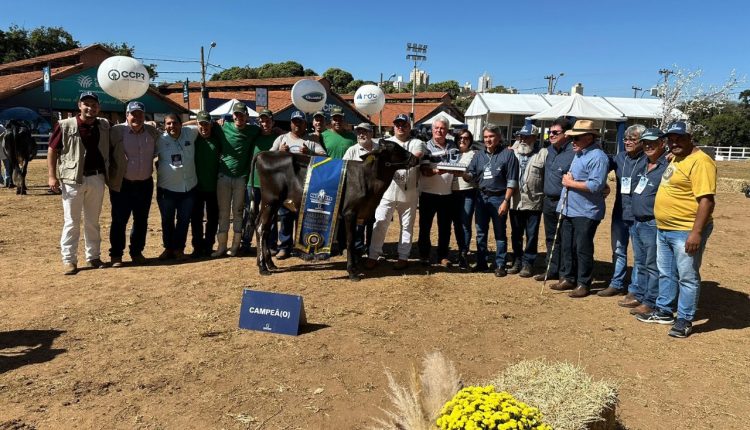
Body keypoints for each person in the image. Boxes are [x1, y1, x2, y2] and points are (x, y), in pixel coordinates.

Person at [636, 121, 716, 338]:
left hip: (685, 230)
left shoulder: (701, 162)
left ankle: (685, 319)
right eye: (670, 139)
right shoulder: (677, 158)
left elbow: (707, 201)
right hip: (665, 228)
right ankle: (664, 311)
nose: (674, 142)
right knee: (666, 272)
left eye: (679, 138)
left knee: (687, 276)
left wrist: (696, 232)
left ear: (691, 137)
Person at [47, 92, 112, 275]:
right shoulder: (65, 125)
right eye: (86, 104)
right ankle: (69, 260)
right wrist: (52, 176)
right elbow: (52, 150)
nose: (90, 107)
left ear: (98, 107)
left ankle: (93, 257)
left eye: (94, 104)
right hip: (72, 180)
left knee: (93, 221)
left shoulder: (104, 125)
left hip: (97, 178)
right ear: (79, 105)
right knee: (71, 222)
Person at [550, 120, 609, 297]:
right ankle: (568, 277)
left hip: (586, 211)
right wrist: (570, 179)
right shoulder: (579, 154)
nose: (573, 141)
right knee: (567, 245)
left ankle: (583, 283)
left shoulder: (598, 157)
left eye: (577, 138)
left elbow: (596, 185)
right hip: (568, 208)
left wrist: (571, 182)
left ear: (589, 137)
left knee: (582, 248)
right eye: (572, 138)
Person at [365, 114, 425, 270]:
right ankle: (373, 255)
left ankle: (403, 256)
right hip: (388, 191)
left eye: (404, 124)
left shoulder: (417, 142)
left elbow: (416, 157)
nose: (400, 127)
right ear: (393, 126)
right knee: (380, 223)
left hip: (409, 192)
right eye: (397, 124)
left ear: (409, 127)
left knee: (407, 226)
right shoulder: (386, 143)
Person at [108, 101, 161, 267]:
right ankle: (116, 255)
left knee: (141, 220)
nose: (137, 117)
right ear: (127, 115)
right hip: (122, 184)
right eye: (133, 114)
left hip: (145, 184)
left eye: (140, 114)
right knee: (119, 220)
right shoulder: (116, 131)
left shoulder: (152, 132)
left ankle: (137, 252)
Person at [462, 123, 519, 277]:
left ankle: (500, 264)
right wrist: (464, 175)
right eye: (486, 137)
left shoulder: (508, 155)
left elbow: (512, 180)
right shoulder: (478, 156)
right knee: (480, 232)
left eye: (491, 136)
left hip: (499, 197)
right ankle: (481, 262)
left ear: (499, 137)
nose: (488, 139)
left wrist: (506, 201)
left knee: (500, 232)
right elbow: (471, 174)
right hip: (481, 197)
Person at [270, 110, 326, 258]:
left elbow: (325, 157)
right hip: (286, 186)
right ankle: (284, 247)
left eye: (300, 122)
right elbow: (268, 157)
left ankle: (303, 247)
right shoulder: (282, 139)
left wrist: (310, 153)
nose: (297, 125)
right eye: (294, 122)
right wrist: (279, 152)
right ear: (290, 123)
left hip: (306, 186)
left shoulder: (311, 140)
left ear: (304, 124)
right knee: (285, 216)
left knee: (304, 216)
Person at [598, 125, 646, 299]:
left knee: (640, 256)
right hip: (620, 212)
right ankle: (616, 283)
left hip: (640, 215)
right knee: (618, 250)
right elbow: (600, 166)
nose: (627, 142)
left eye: (632, 139)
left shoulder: (649, 159)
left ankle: (635, 289)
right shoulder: (619, 158)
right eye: (626, 139)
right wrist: (602, 184)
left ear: (642, 141)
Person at [627, 128, 669, 316]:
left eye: (652, 142)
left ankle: (650, 301)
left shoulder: (667, 165)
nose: (648, 146)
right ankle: (641, 295)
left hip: (652, 222)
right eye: (645, 142)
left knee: (652, 264)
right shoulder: (643, 162)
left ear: (662, 143)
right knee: (640, 261)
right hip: (637, 220)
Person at [214, 102, 259, 257]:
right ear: (232, 116)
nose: (239, 117)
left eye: (242, 115)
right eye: (237, 115)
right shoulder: (223, 127)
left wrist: (278, 129)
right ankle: (221, 246)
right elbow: (201, 124)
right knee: (223, 212)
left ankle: (234, 247)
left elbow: (268, 130)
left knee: (238, 212)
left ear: (247, 116)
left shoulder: (253, 130)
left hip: (241, 178)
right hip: (223, 176)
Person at [534, 117, 575, 282]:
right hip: (548, 200)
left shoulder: (573, 152)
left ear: (566, 134)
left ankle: (566, 274)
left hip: (565, 200)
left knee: (566, 239)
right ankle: (551, 269)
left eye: (555, 132)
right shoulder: (549, 150)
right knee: (551, 238)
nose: (551, 135)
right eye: (549, 132)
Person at [154, 113, 199, 261]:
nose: (171, 126)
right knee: (167, 220)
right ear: (164, 125)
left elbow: (200, 121)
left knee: (183, 220)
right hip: (167, 189)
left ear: (181, 124)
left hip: (188, 187)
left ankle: (179, 249)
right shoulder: (159, 139)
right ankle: (168, 249)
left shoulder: (190, 132)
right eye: (168, 124)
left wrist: (184, 125)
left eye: (174, 123)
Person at [418, 117, 458, 267]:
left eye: (442, 128)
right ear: (432, 129)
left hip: (447, 194)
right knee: (425, 226)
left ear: (447, 130)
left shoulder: (453, 147)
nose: (439, 131)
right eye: (436, 128)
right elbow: (424, 170)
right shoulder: (425, 147)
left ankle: (442, 255)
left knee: (445, 227)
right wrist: (436, 171)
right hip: (428, 194)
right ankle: (423, 255)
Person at [508, 123, 547, 278]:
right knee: (516, 233)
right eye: (521, 136)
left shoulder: (543, 154)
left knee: (532, 234)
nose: (523, 139)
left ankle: (528, 263)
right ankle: (517, 260)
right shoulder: (512, 153)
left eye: (527, 136)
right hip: (515, 201)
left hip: (534, 201)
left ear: (535, 138)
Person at [242, 109, 278, 254]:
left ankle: (272, 244)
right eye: (262, 121)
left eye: (268, 121)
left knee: (271, 215)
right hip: (253, 182)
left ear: (272, 122)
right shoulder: (254, 136)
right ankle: (246, 243)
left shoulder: (278, 139)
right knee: (250, 214)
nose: (265, 124)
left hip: (271, 185)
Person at [343, 122, 380, 256]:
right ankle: (358, 249)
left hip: (375, 194)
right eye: (359, 132)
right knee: (359, 223)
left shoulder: (379, 148)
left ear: (371, 133)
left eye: (364, 132)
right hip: (357, 195)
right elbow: (344, 170)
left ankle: (371, 248)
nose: (361, 134)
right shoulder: (352, 150)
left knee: (373, 222)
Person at [189, 111, 222, 258]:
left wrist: (217, 125)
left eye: (206, 124)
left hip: (214, 187)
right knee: (196, 219)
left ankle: (208, 245)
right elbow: (182, 127)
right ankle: (197, 247)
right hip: (196, 187)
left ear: (211, 125)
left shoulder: (217, 139)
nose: (204, 127)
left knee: (212, 219)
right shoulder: (193, 139)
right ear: (197, 125)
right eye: (201, 124)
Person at [449, 129, 478, 269]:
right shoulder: (452, 153)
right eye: (460, 137)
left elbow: (475, 173)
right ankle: (460, 250)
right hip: (452, 192)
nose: (462, 140)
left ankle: (464, 253)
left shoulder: (474, 154)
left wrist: (464, 174)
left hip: (467, 192)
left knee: (465, 223)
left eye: (466, 138)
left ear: (470, 140)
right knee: (456, 223)